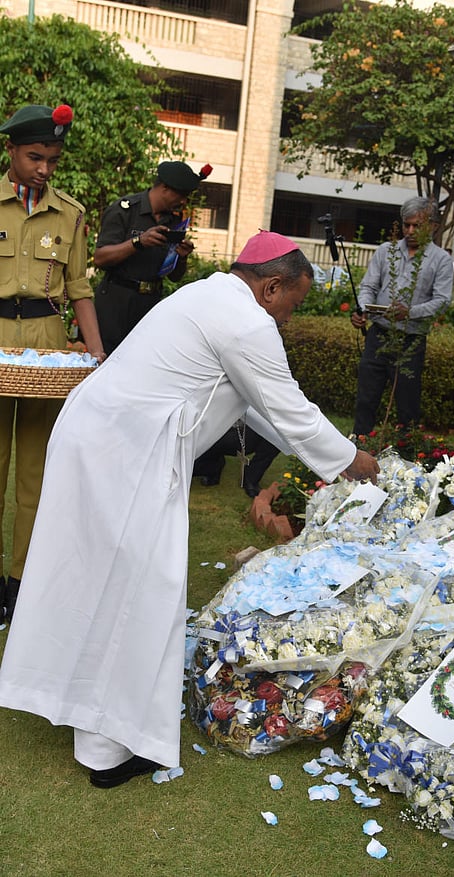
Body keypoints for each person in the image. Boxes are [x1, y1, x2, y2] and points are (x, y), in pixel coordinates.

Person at [0, 230, 379, 788]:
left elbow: (259, 409)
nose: (290, 321)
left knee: (92, 581)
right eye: (293, 307)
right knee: (139, 592)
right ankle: (108, 749)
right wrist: (354, 462)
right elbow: (291, 410)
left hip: (101, 440)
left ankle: (78, 707)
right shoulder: (247, 323)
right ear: (272, 287)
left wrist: (334, 460)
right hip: (126, 457)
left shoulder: (207, 294)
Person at [0, 104, 106, 623]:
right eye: (34, 157)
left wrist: (95, 348)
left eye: (52, 160)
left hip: (47, 344)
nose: (44, 169)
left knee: (37, 476)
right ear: (11, 151)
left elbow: (81, 287)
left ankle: (22, 584)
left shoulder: (71, 214)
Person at [350, 196, 453, 436]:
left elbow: (442, 301)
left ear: (433, 226)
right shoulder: (386, 251)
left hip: (411, 341)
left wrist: (410, 313)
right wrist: (364, 309)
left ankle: (407, 457)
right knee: (366, 398)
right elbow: (369, 286)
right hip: (378, 335)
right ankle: (358, 446)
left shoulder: (442, 260)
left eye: (417, 225)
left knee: (407, 404)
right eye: (406, 225)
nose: (409, 231)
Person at [93, 160, 211, 354]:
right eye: (181, 195)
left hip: (150, 303)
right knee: (107, 362)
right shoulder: (125, 210)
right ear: (164, 188)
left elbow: (174, 276)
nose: (184, 202)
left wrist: (181, 257)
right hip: (117, 301)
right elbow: (100, 258)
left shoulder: (173, 220)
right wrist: (138, 242)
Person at [192, 420, 280, 497]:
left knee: (276, 438)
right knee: (192, 463)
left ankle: (251, 478)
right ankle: (213, 467)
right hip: (211, 427)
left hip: (246, 428)